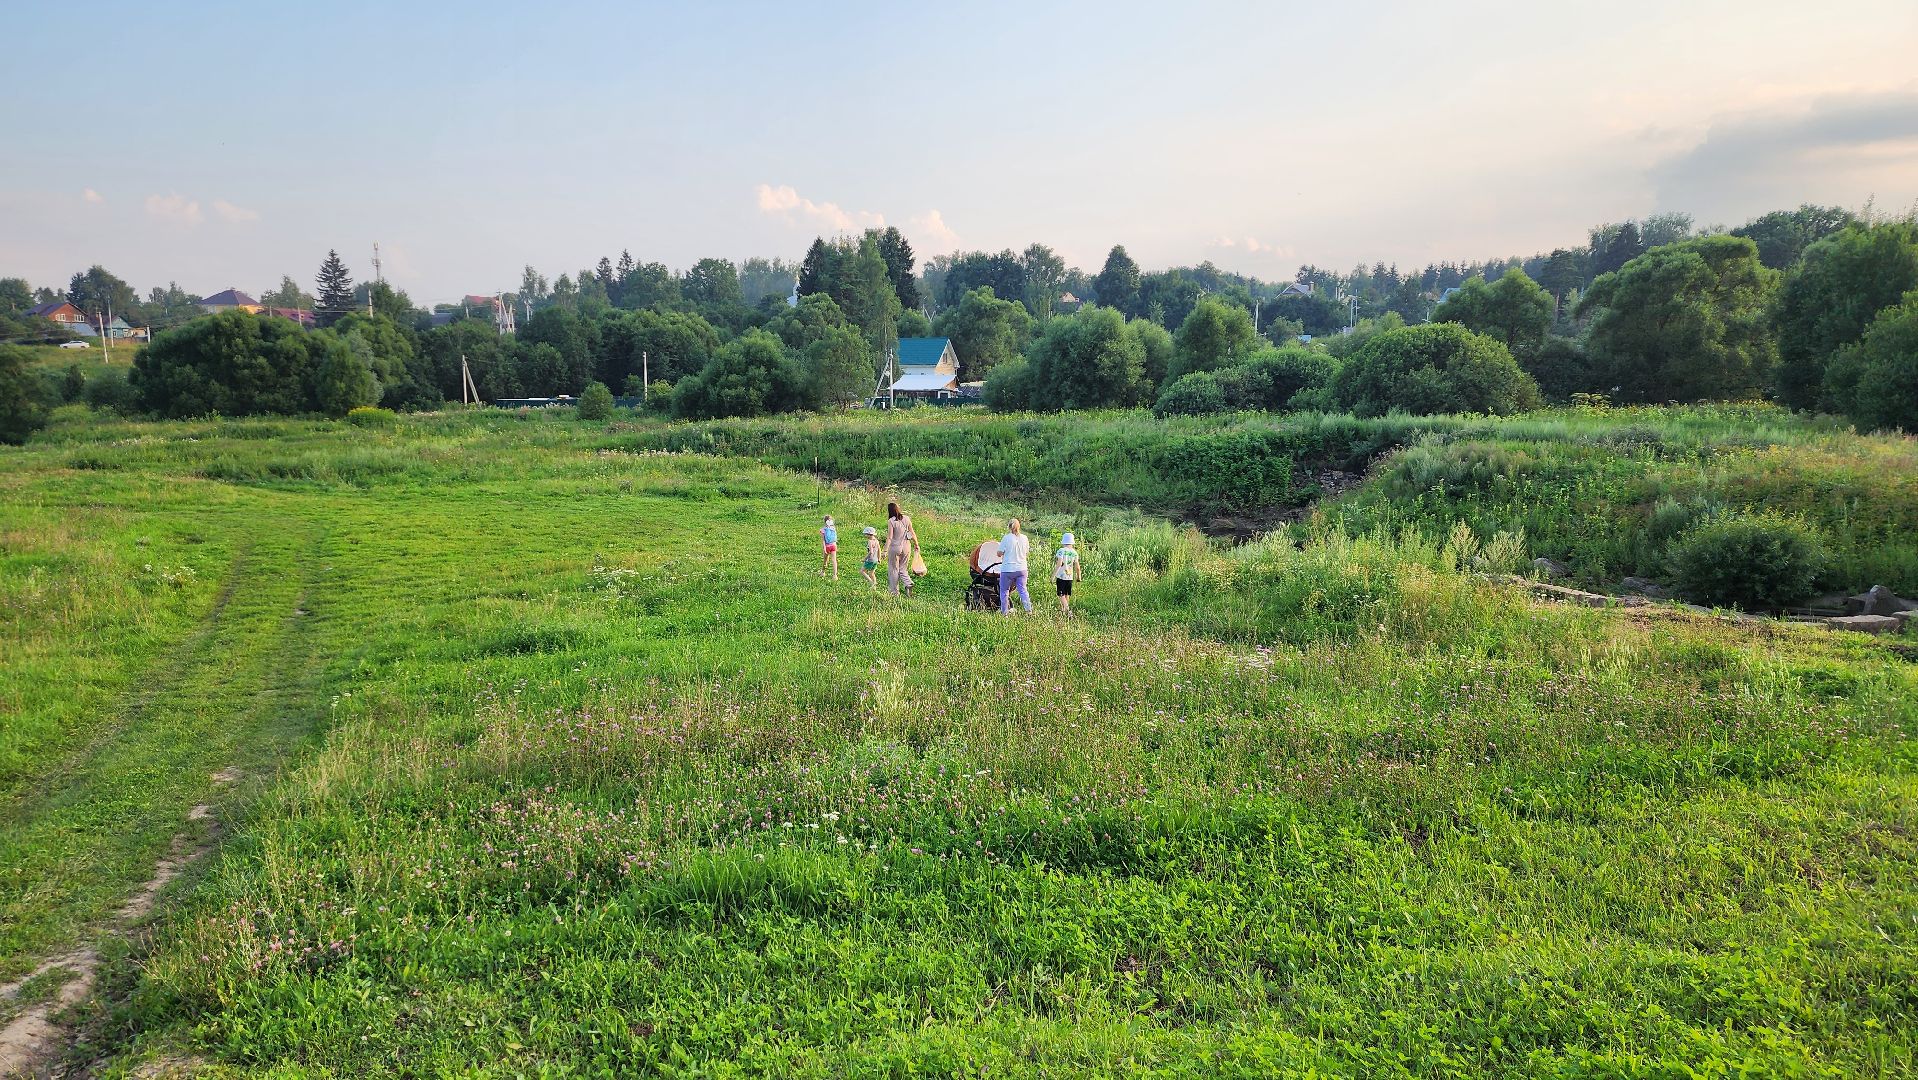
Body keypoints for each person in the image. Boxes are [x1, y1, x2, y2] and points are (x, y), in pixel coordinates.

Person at [997, 518, 1031, 614]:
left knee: (1004, 591)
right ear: (1019, 526)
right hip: (1022, 568)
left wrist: (1001, 553)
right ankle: (1029, 610)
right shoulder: (1025, 538)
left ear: (1009, 527)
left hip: (1008, 569)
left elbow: (999, 553)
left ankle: (1005, 613)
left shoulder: (1006, 538)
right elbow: (1026, 552)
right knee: (1023, 590)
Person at [885, 502, 919, 597]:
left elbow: (890, 537)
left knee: (893, 569)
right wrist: (916, 544)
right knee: (903, 568)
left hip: (895, 548)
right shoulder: (907, 518)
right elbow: (912, 532)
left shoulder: (891, 521)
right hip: (906, 547)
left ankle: (894, 592)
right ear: (898, 508)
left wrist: (885, 550)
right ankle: (908, 583)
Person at [1053, 531, 1081, 616]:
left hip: (1061, 576)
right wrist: (1078, 576)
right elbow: (1077, 567)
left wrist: (1053, 575)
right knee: (1067, 594)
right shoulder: (1074, 552)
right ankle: (1063, 610)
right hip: (1070, 577)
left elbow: (1059, 563)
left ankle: (1068, 611)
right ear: (1072, 542)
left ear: (1063, 542)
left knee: (1061, 594)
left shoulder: (1061, 550)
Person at [820, 516, 839, 580]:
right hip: (833, 546)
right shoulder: (833, 528)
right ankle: (835, 575)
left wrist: (824, 548)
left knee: (825, 560)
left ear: (825, 522)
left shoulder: (823, 530)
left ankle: (823, 572)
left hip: (827, 546)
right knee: (834, 560)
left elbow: (823, 540)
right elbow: (835, 538)